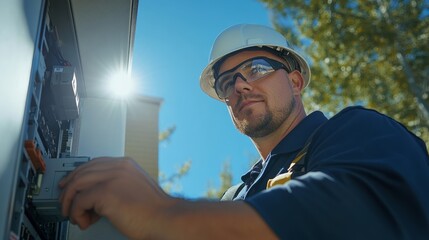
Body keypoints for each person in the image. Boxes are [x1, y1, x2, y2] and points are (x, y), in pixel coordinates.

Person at [59, 24, 429, 239]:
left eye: (256, 68)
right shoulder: (234, 198)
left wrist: (163, 212)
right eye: (226, 84)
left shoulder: (358, 132)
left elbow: (351, 212)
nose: (240, 86)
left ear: (296, 81)